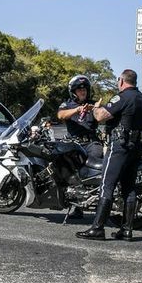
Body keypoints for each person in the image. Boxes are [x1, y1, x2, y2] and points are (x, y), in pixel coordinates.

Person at [76, 69, 142, 242]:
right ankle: (126, 230)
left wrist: (96, 108)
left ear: (122, 81)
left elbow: (101, 116)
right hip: (137, 147)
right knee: (129, 188)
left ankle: (97, 228)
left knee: (107, 185)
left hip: (120, 146)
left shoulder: (122, 97)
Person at [57, 74, 101, 219]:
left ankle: (100, 202)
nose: (83, 91)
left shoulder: (94, 104)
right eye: (79, 89)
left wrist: (96, 109)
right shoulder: (67, 104)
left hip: (91, 142)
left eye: (85, 89)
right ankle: (76, 205)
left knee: (96, 168)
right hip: (73, 144)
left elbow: (103, 114)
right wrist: (77, 110)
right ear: (73, 91)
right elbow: (61, 115)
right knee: (68, 171)